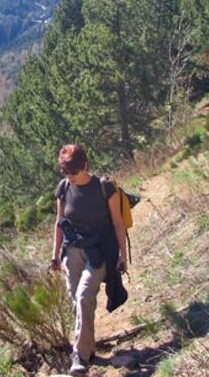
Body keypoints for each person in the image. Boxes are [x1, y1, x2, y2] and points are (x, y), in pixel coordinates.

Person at [49, 144, 128, 376]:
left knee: (84, 296)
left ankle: (80, 356)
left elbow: (117, 223)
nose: (70, 177)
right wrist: (54, 255)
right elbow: (59, 222)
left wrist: (122, 255)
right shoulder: (63, 188)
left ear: (85, 165)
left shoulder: (104, 188)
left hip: (99, 251)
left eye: (73, 172)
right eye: (66, 172)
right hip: (72, 250)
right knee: (77, 300)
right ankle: (88, 346)